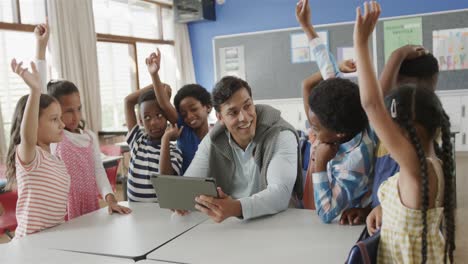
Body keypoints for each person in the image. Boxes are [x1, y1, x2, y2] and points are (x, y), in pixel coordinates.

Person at [354, 2, 455, 262]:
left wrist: (361, 42)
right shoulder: (427, 167)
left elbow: (372, 104)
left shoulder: (415, 170)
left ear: (398, 131)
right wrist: (383, 207)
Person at [34, 22, 130, 219]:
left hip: (90, 206)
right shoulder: (55, 139)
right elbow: (38, 93)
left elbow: (98, 169)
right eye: (68, 111)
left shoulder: (89, 136)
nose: (75, 116)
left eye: (78, 109)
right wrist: (41, 47)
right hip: (65, 210)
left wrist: (110, 198)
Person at [181, 76, 303, 222]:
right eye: (233, 112)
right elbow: (188, 186)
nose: (244, 117)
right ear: (220, 118)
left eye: (247, 106)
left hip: (280, 222)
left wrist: (235, 207)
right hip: (235, 225)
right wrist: (181, 200)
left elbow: (280, 194)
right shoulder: (213, 139)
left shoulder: (281, 134)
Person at [296, 0, 376, 223]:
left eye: (316, 128)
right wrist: (307, 26)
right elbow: (326, 62)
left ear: (338, 133)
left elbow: (327, 212)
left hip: (351, 222)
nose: (311, 131)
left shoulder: (356, 161)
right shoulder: (341, 102)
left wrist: (320, 164)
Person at [5, 59, 69, 238]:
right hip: (29, 244)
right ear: (34, 124)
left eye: (60, 118)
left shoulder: (56, 160)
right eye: (54, 119)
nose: (62, 124)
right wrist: (34, 91)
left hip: (52, 239)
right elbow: (28, 136)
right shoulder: (31, 157)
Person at [146, 49, 212, 174]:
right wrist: (154, 74)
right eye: (184, 113)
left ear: (207, 107)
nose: (190, 116)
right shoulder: (184, 130)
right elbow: (165, 104)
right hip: (185, 189)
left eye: (194, 109)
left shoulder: (216, 137)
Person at [124, 84, 183, 202]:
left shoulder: (174, 151)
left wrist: (166, 138)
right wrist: (158, 86)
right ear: (140, 121)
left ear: (166, 117)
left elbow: (165, 180)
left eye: (159, 115)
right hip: (135, 214)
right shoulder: (137, 140)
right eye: (147, 117)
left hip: (160, 215)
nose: (153, 122)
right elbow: (128, 101)